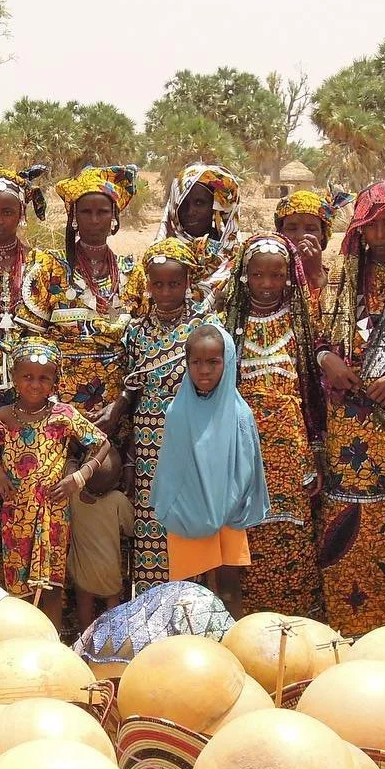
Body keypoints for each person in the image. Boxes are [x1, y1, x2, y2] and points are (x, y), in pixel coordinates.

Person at [316, 182, 385, 635]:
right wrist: (329, 361)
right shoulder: (341, 277)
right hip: (349, 415)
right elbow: (317, 335)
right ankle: (348, 625)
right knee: (346, 510)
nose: (380, 232)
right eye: (371, 223)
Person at [0, 165, 63, 583]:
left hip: (36, 411)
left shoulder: (48, 267)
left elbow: (59, 339)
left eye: (8, 212)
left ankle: (39, 600)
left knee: (35, 501)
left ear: (22, 214)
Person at [99, 239, 216, 591]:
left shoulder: (205, 327)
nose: (165, 291)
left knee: (188, 527)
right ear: (147, 284)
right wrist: (132, 459)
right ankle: (153, 615)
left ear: (188, 284)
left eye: (174, 283)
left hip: (191, 441)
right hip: (148, 446)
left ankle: (190, 611)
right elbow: (131, 393)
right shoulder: (134, 332)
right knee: (150, 528)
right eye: (158, 284)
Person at [220, 233, 323, 617]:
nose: (266, 284)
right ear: (244, 276)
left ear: (288, 277)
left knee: (291, 530)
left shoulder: (302, 320)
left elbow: (314, 389)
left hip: (290, 448)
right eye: (257, 275)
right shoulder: (228, 325)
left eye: (276, 275)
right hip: (242, 448)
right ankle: (247, 624)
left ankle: (296, 623)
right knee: (247, 529)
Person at [0, 339, 109, 630]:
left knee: (51, 581)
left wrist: (78, 478)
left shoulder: (63, 416)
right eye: (27, 377)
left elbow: (101, 443)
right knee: (18, 584)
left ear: (55, 380)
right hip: (15, 514)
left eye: (44, 378)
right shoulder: (2, 418)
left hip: (52, 512)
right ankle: (21, 639)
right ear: (14, 377)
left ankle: (50, 645)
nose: (35, 385)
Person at [152, 324, 269, 618]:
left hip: (228, 515)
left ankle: (233, 648)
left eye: (213, 362)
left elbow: (247, 471)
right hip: (186, 512)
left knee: (228, 585)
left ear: (227, 363)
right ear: (187, 364)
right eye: (196, 362)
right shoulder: (177, 412)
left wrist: (222, 508)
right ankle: (191, 651)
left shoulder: (239, 414)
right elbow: (170, 470)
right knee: (186, 591)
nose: (204, 370)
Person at [30, 165, 139, 419]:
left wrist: (122, 403)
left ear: (114, 216)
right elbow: (33, 339)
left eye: (102, 212)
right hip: (57, 406)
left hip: (116, 408)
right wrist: (55, 404)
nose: (94, 220)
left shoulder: (132, 274)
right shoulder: (50, 269)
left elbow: (141, 345)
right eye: (86, 212)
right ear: (74, 216)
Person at [123, 164, 242, 314]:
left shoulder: (235, 256)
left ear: (214, 206)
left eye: (199, 203)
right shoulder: (159, 255)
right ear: (174, 206)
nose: (191, 211)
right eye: (183, 204)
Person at [68, 447, 134, 630]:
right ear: (116, 481)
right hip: (110, 568)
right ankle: (112, 639)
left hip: (82, 567)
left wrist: (74, 463)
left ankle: (84, 637)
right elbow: (130, 528)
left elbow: (70, 471)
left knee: (84, 603)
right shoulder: (117, 500)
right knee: (113, 603)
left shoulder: (74, 494)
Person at [276, 188, 353, 304]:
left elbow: (334, 316)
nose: (300, 236)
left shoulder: (337, 278)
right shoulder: (266, 274)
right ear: (280, 233)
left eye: (311, 229)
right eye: (291, 228)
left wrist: (316, 274)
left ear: (323, 235)